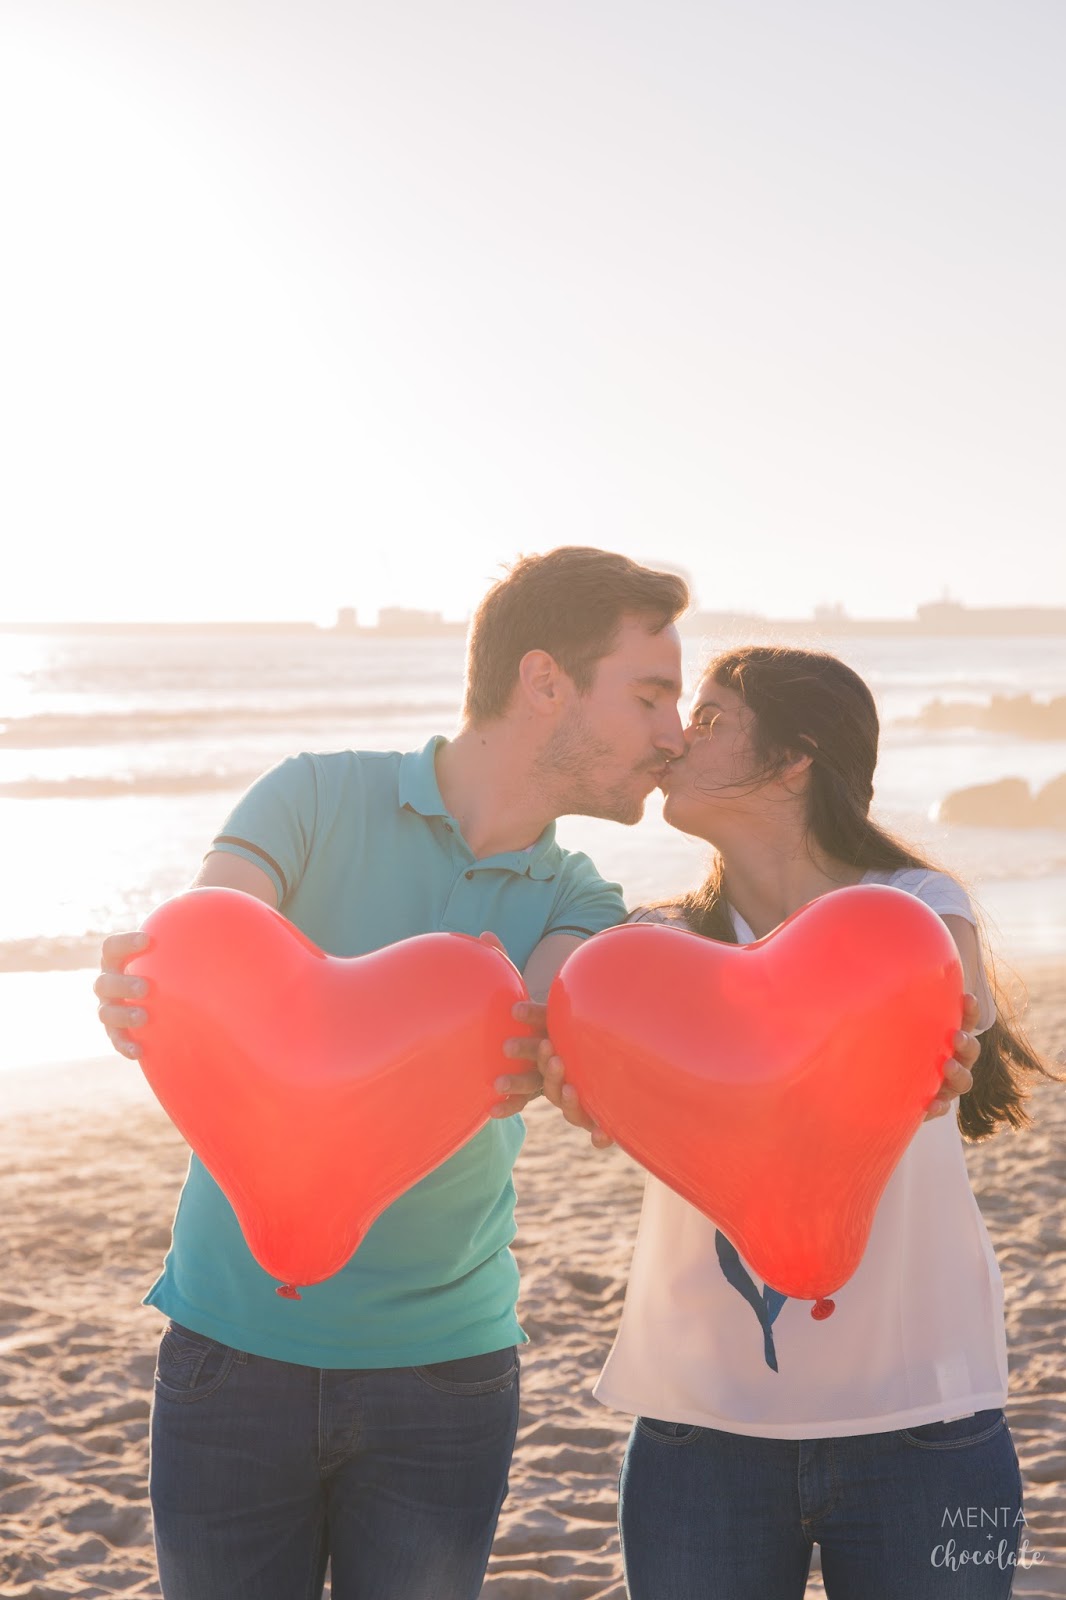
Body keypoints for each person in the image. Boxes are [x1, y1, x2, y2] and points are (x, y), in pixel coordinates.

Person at [93, 546, 691, 1600]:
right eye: (650, 696)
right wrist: (147, 988)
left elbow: (541, 1026)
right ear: (544, 681)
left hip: (443, 1376)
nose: (673, 734)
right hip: (232, 1351)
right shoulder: (312, 796)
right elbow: (204, 950)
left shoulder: (581, 899)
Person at [541, 645, 1051, 1600]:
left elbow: (959, 1000)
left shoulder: (915, 911)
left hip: (926, 1422)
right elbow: (584, 1036)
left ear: (792, 759)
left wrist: (945, 1044)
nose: (677, 738)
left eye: (712, 718)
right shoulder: (653, 950)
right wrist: (583, 1082)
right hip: (701, 1430)